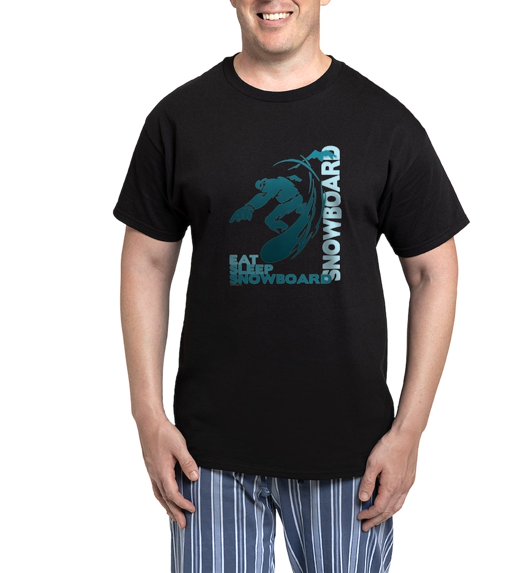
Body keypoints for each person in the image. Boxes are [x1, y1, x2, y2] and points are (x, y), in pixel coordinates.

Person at [112, 1, 470, 571]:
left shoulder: (383, 122)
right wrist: (147, 416)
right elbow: (146, 265)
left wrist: (410, 430)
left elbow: (434, 271)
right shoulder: (179, 119)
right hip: (208, 457)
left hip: (351, 457)